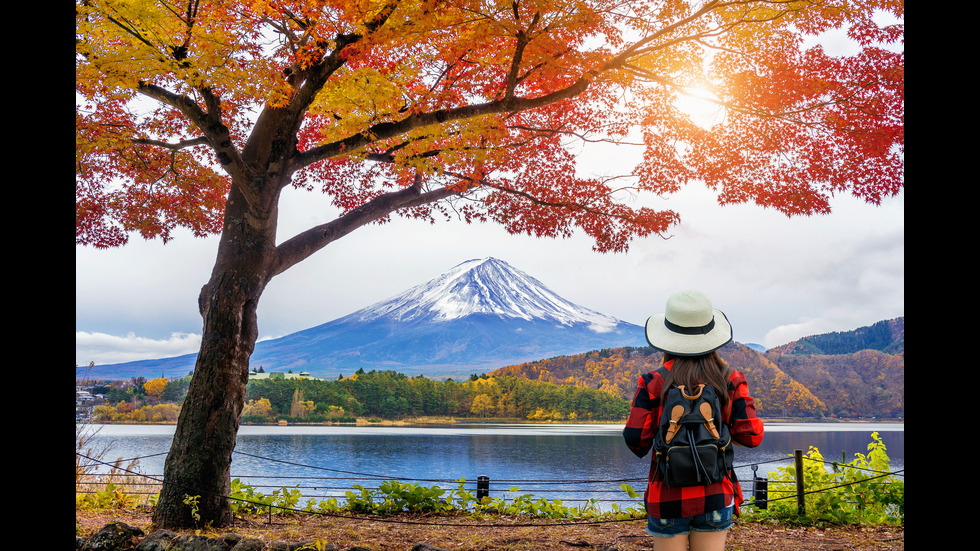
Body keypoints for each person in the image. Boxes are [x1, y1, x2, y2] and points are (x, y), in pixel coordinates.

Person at [623, 290, 764, 551]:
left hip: (665, 495)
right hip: (716, 493)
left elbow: (635, 440)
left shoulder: (653, 381)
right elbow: (752, 436)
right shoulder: (731, 379)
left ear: (667, 337)